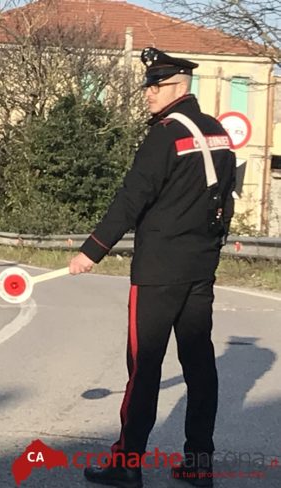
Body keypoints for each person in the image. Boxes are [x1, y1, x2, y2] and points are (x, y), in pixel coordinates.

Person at [69, 47, 236, 488]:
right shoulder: (218, 132)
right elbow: (226, 200)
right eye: (149, 85)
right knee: (200, 366)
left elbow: (131, 198)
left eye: (156, 86)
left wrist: (91, 251)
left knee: (144, 368)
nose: (148, 93)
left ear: (179, 87)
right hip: (199, 268)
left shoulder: (164, 135)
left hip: (158, 271)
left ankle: (127, 464)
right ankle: (199, 463)